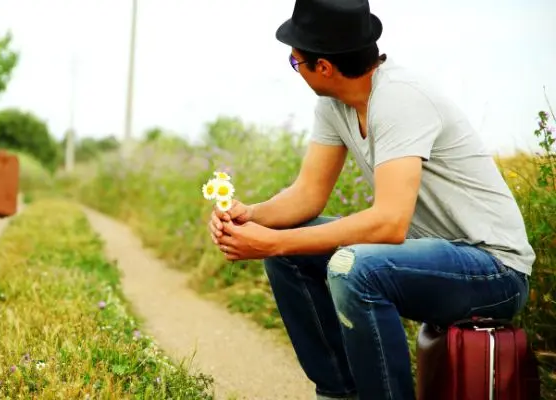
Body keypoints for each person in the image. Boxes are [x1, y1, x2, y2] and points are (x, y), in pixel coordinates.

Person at [207, 0, 534, 399]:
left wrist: (273, 241)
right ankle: (339, 393)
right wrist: (252, 216)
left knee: (353, 268)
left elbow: (389, 224)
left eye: (296, 62)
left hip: (494, 270)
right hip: (430, 255)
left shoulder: (399, 98)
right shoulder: (333, 104)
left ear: (323, 66)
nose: (295, 69)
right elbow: (307, 195)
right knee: (289, 254)